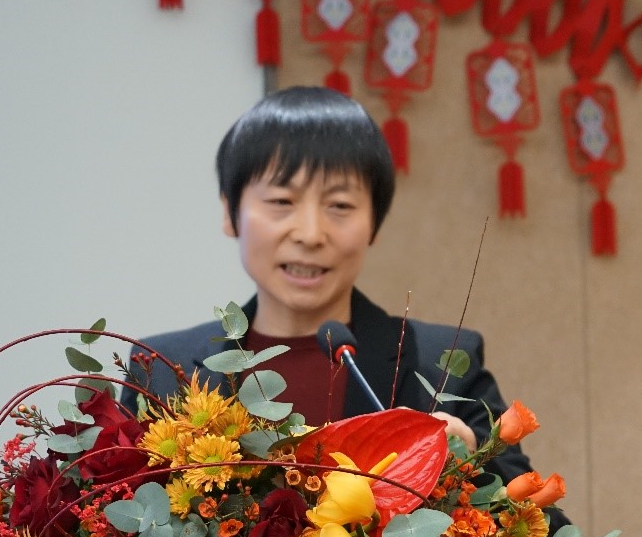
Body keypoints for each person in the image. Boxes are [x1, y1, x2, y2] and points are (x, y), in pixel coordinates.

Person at [120, 86, 555, 504]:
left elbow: (543, 527)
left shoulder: (441, 363)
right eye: (281, 201)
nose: (310, 234)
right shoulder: (160, 371)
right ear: (229, 212)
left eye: (340, 206)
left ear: (374, 223)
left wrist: (471, 462)